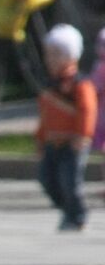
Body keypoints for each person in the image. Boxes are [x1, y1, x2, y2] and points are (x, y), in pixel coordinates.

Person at [36, 23, 92, 231]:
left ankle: (77, 215)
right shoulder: (49, 87)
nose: (50, 59)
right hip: (52, 142)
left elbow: (88, 111)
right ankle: (68, 210)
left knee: (70, 182)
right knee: (47, 179)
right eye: (48, 54)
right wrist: (40, 138)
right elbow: (45, 117)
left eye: (56, 54)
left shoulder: (80, 85)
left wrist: (83, 135)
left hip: (72, 142)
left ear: (71, 56)